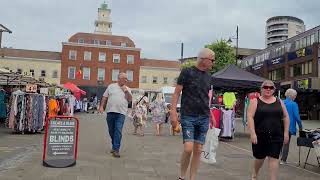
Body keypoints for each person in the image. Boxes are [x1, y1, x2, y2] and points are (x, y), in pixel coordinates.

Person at [170, 48, 215, 180]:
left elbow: (207, 97)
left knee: (198, 149)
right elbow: (177, 92)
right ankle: (182, 176)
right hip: (188, 115)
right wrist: (173, 112)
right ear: (203, 59)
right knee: (188, 148)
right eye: (212, 60)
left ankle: (192, 177)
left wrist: (211, 115)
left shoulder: (209, 76)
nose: (213, 62)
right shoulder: (187, 72)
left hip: (204, 116)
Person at [247, 80, 290, 180]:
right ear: (261, 89)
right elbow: (250, 117)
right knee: (260, 158)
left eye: (271, 87)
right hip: (260, 135)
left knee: (274, 158)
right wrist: (252, 133)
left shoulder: (279, 101)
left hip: (276, 135)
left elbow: (286, 116)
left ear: (274, 90)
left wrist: (286, 132)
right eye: (265, 87)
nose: (268, 89)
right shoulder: (255, 101)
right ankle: (255, 173)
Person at [99, 73, 132, 158]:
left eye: (126, 79)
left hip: (121, 113)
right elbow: (104, 97)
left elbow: (129, 100)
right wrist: (102, 106)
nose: (125, 80)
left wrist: (126, 91)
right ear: (118, 79)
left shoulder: (127, 88)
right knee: (111, 130)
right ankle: (114, 145)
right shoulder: (111, 86)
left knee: (118, 130)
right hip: (110, 111)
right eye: (124, 78)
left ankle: (116, 149)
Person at [280, 88, 303, 165]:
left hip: (280, 125)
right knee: (286, 142)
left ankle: (276, 157)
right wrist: (300, 126)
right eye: (295, 95)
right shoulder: (294, 104)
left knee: (280, 141)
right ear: (292, 96)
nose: (295, 97)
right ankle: (283, 160)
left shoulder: (281, 102)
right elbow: (297, 116)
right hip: (289, 126)